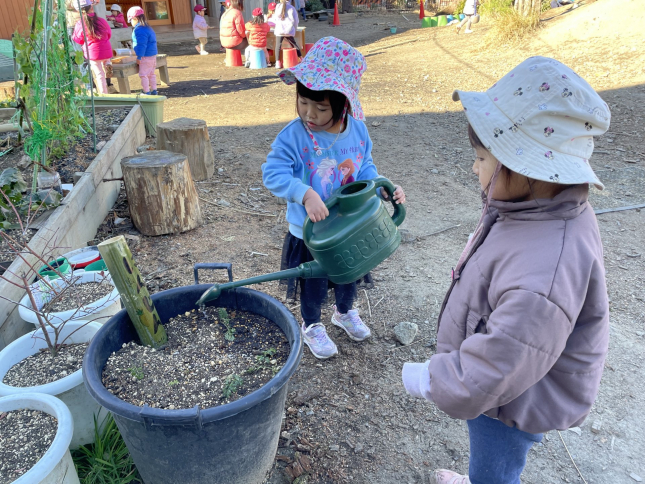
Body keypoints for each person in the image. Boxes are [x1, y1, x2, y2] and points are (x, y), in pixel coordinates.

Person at [402, 56, 611, 484]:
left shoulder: (545, 273)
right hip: (512, 385)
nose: (473, 168)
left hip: (513, 402)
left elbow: (501, 362)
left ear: (525, 167)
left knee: (496, 465)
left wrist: (432, 379)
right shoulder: (536, 207)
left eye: (481, 158)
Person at [262, 37, 406, 359]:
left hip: (349, 227)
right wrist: (304, 192)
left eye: (321, 107)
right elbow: (272, 173)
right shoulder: (293, 136)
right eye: (302, 102)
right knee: (313, 282)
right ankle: (311, 324)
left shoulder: (356, 131)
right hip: (311, 233)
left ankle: (344, 312)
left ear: (343, 103)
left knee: (349, 273)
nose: (309, 113)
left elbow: (365, 165)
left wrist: (381, 187)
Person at [72, 0, 112, 95]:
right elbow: (109, 34)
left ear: (78, 11)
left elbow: (77, 39)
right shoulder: (101, 21)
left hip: (93, 54)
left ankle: (104, 94)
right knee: (106, 60)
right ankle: (108, 63)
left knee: (99, 75)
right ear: (91, 7)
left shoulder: (80, 24)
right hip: (106, 51)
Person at [127, 7, 158, 95]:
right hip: (152, 54)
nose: (131, 23)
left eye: (131, 21)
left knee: (143, 75)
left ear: (135, 19)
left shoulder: (139, 30)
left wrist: (139, 56)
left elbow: (141, 45)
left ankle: (146, 91)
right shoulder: (148, 27)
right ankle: (154, 90)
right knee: (151, 74)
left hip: (145, 55)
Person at [273, 0, 300, 69]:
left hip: (279, 30)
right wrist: (294, 29)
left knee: (278, 46)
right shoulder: (292, 8)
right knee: (294, 44)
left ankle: (277, 62)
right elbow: (296, 21)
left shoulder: (278, 7)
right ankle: (301, 58)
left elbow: (275, 18)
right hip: (289, 30)